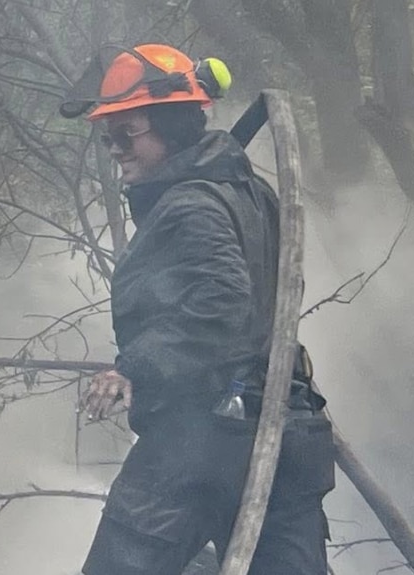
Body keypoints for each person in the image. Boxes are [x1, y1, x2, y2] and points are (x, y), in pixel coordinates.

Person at [60, 43, 335, 575]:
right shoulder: (248, 192)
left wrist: (130, 367)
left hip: (203, 442)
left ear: (173, 124)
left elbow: (223, 301)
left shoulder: (192, 204)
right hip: (287, 432)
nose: (115, 148)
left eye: (128, 132)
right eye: (107, 135)